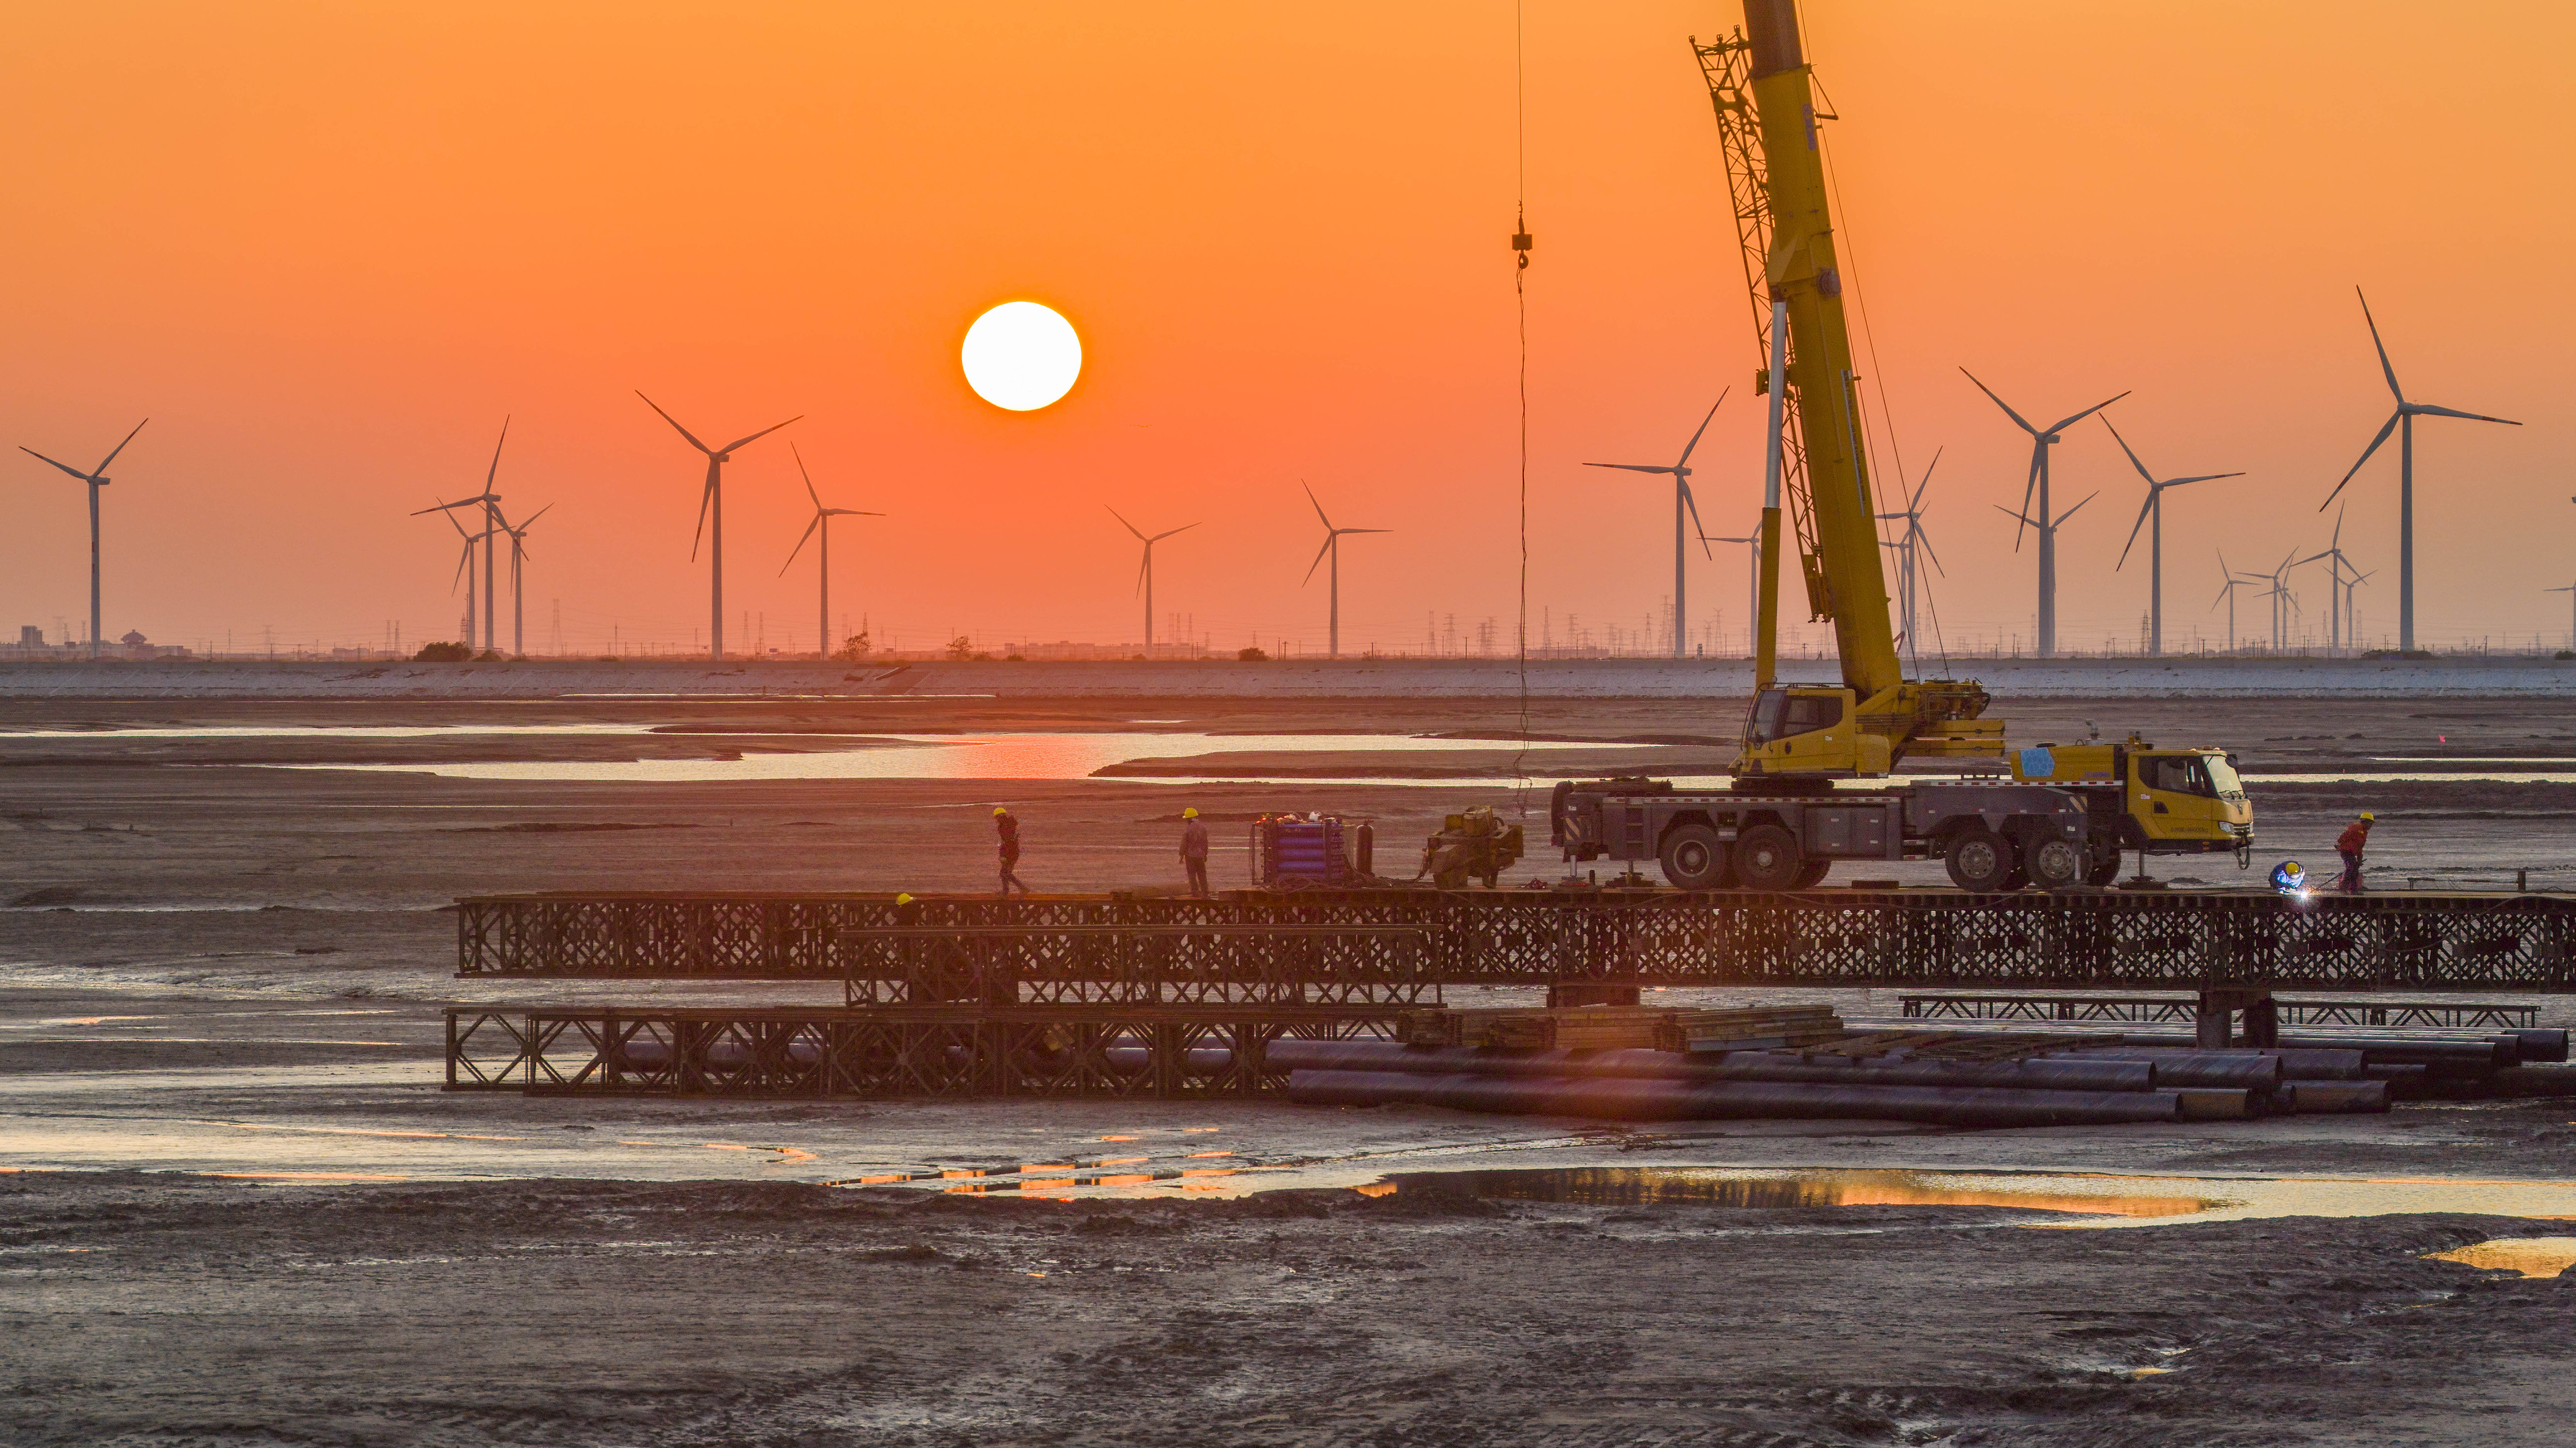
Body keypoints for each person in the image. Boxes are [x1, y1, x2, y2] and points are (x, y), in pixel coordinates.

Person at [994, 806, 1031, 898]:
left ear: (1000, 816)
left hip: (1011, 853)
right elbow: (1005, 842)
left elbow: (1008, 843)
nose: (996, 820)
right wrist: (1003, 854)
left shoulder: (1006, 827)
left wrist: (1004, 856)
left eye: (997, 818)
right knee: (1004, 873)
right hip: (1011, 853)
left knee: (1005, 873)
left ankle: (1021, 889)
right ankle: (1007, 892)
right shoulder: (1006, 826)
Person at [2335, 811, 2374, 893]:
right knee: (2351, 869)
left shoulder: (2364, 833)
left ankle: (2353, 890)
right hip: (2346, 851)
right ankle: (2344, 888)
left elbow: (2360, 847)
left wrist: (2359, 860)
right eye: (2370, 823)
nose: (2371, 826)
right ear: (2365, 822)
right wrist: (2339, 844)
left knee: (2354, 870)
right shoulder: (2356, 828)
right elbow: (2346, 835)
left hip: (2351, 853)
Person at [1180, 806, 1210, 897]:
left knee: (1192, 874)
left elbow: (1184, 843)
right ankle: (1205, 892)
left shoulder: (1188, 829)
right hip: (1201, 855)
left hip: (1190, 855)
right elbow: (1205, 842)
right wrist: (1205, 854)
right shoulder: (1203, 827)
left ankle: (1195, 892)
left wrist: (1181, 855)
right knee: (1202, 874)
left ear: (1189, 818)